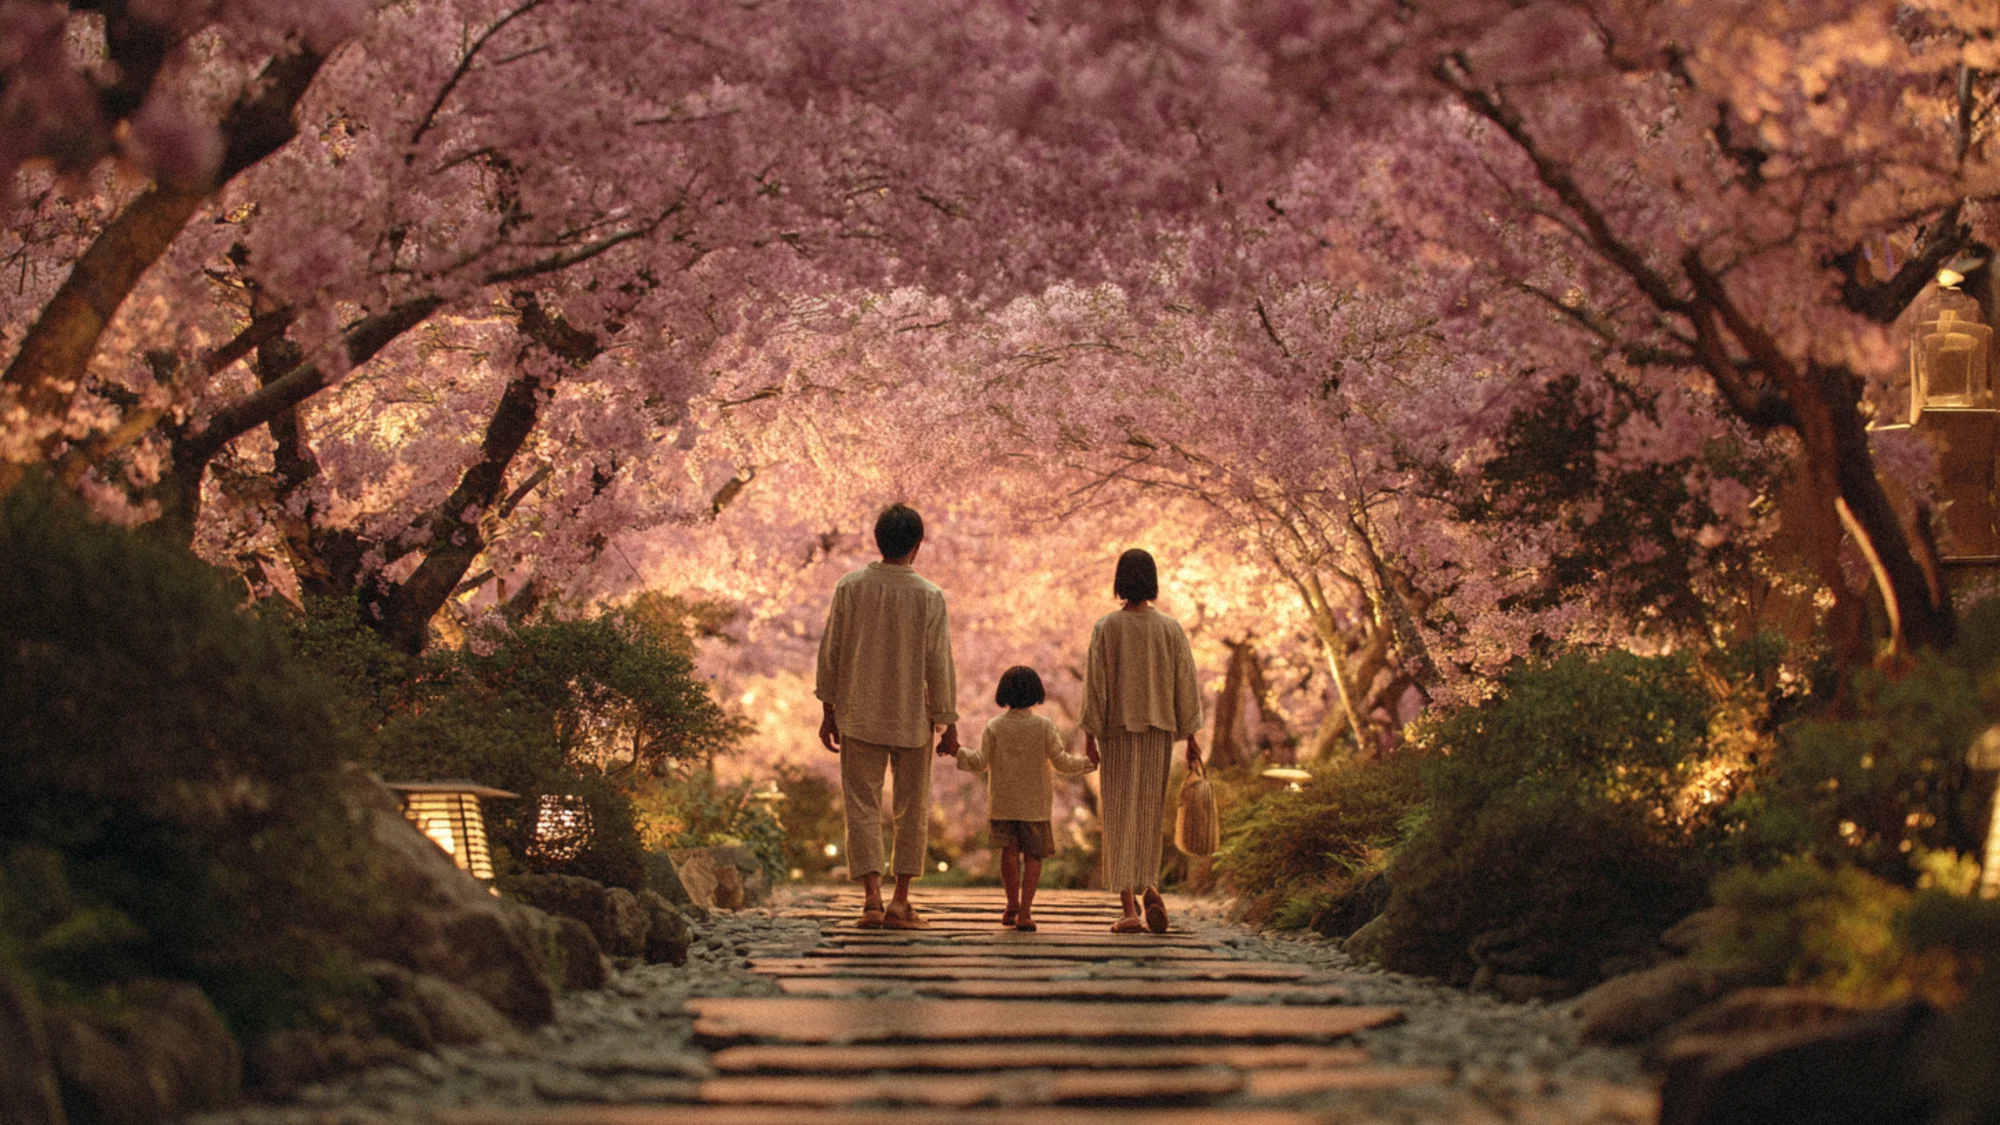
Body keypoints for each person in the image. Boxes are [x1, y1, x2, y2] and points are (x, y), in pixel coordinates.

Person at [816, 503, 959, 929]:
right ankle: (901, 901)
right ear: (918, 545)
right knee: (911, 809)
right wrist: (947, 722)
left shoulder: (851, 587)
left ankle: (871, 899)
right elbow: (939, 663)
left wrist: (828, 709)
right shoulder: (929, 595)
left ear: (877, 541)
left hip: (857, 712)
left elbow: (832, 652)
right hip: (911, 718)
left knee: (861, 805)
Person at [1081, 548, 1203, 934]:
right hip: (1159, 729)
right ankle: (1151, 886)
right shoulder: (1170, 628)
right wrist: (1192, 738)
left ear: (1119, 581)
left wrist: (1090, 736)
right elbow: (1185, 683)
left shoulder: (1107, 627)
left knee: (1119, 814)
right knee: (1149, 814)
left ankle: (1129, 909)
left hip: (1116, 730)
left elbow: (1095, 685)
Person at [948, 665, 1095, 932]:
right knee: (1033, 857)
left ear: (1003, 693)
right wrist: (1087, 764)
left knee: (1009, 853)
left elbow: (980, 762)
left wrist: (957, 750)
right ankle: (1026, 912)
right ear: (1036, 693)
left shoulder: (994, 726)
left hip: (1003, 804)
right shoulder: (1044, 727)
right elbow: (1061, 762)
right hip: (1035, 805)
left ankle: (1011, 904)